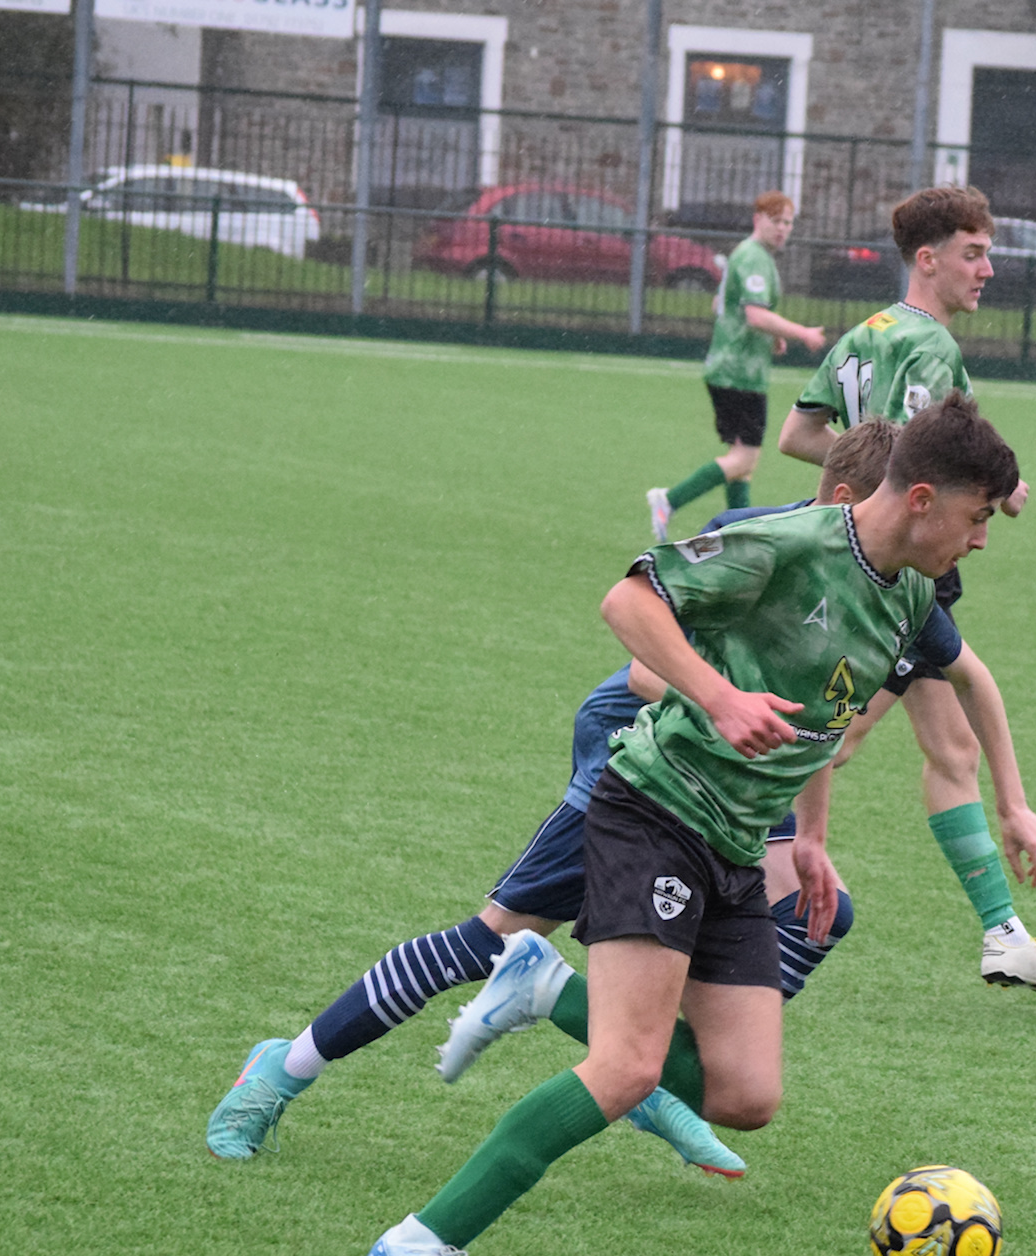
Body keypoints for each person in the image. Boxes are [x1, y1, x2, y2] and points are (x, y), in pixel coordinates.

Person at [361, 395, 1021, 1256]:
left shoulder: (907, 597)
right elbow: (626, 600)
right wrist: (715, 695)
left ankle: (545, 988)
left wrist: (814, 837)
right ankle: (418, 1242)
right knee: (628, 1067)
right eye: (979, 516)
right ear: (920, 497)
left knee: (746, 1092)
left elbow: (824, 718)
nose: (983, 539)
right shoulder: (789, 544)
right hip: (656, 810)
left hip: (737, 845)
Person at [206, 427, 903, 1175]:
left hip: (737, 780)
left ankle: (646, 1073)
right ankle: (280, 1069)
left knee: (811, 911)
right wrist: (726, 708)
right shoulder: (762, 544)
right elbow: (641, 673)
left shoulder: (897, 582)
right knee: (496, 937)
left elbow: (886, 700)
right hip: (643, 756)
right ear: (846, 502)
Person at [776, 186, 1036, 994]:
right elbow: (921, 466)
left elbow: (800, 435)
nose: (986, 269)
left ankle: (1002, 933)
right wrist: (954, 493)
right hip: (903, 567)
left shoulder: (868, 332)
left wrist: (875, 478)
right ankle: (717, 834)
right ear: (929, 259)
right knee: (834, 733)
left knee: (946, 748)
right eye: (973, 253)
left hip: (870, 548)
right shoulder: (931, 349)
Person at [648, 191, 827, 543]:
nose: (783, 229)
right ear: (757, 219)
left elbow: (725, 302)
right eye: (776, 221)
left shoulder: (748, 255)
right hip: (738, 374)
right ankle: (668, 500)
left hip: (734, 369)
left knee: (742, 462)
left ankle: (736, 532)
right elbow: (755, 314)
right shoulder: (754, 257)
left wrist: (772, 336)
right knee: (744, 459)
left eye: (788, 222)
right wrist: (802, 332)